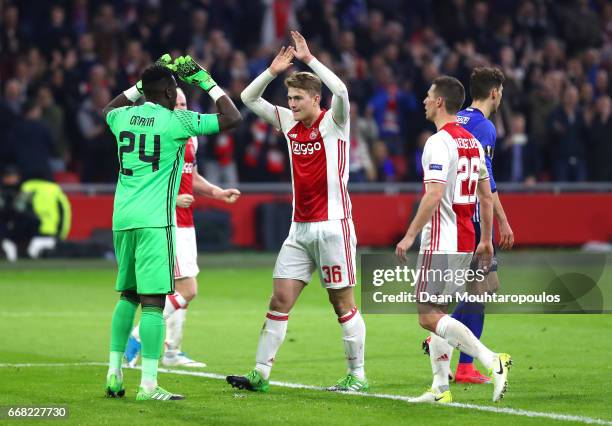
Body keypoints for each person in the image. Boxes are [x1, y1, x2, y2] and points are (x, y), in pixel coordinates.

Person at [226, 31, 368, 393]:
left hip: (333, 227)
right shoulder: (289, 123)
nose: (291, 104)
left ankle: (358, 375)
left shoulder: (334, 122)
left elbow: (343, 92)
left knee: (342, 304)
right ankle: (260, 373)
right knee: (279, 299)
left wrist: (309, 59)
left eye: (298, 98)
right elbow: (247, 97)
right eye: (289, 98)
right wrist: (272, 71)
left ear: (315, 99)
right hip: (299, 230)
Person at [103, 54, 241, 401]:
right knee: (152, 302)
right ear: (167, 93)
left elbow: (107, 109)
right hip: (155, 222)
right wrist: (204, 80)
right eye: (173, 90)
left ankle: (114, 374)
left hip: (122, 218)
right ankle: (148, 384)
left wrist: (141, 84)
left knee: (128, 296)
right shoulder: (176, 122)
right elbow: (232, 117)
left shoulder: (121, 118)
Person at [395, 76, 511, 404]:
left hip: (441, 239)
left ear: (440, 103)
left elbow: (433, 195)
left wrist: (410, 234)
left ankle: (491, 361)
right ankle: (440, 388)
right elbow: (486, 197)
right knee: (440, 313)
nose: (424, 101)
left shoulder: (438, 142)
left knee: (426, 315)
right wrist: (485, 240)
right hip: (465, 240)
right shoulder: (472, 143)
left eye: (428, 96)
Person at [124, 87, 241, 368]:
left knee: (177, 288)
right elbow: (143, 179)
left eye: (184, 103)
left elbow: (193, 174)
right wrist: (173, 198)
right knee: (188, 288)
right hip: (166, 220)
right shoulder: (160, 137)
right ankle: (137, 336)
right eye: (175, 103)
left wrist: (216, 192)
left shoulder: (190, 137)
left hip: (186, 223)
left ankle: (172, 350)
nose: (181, 107)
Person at [423, 67, 514, 384]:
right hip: (472, 221)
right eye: (501, 91)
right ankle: (461, 360)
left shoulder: (457, 118)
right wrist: (502, 221)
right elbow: (484, 185)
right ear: (495, 92)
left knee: (479, 289)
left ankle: (442, 334)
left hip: (453, 218)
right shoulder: (485, 127)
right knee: (479, 292)